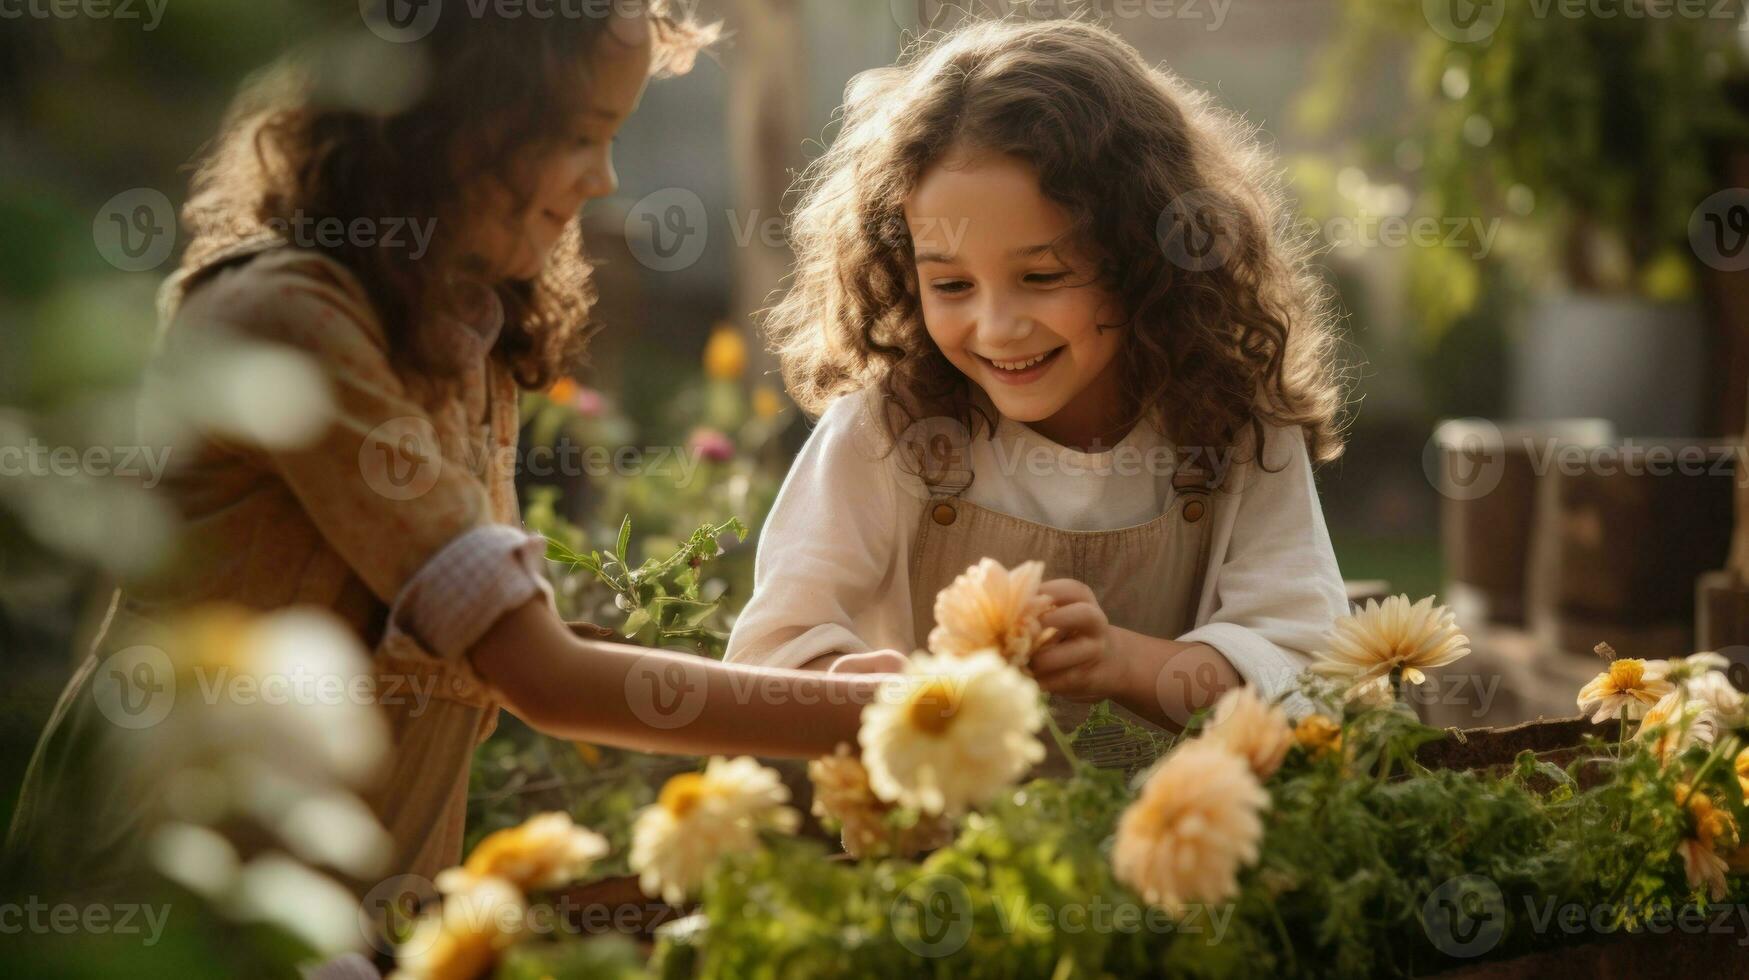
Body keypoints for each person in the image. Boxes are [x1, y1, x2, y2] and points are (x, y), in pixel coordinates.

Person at [8, 3, 885, 892]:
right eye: (581, 136)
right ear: (458, 121)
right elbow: (540, 674)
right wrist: (869, 715)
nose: (604, 181)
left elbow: (512, 652)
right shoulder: (293, 323)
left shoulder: (461, 336)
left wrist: (823, 696)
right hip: (181, 910)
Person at [725, 18, 1351, 747]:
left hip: (1186, 845)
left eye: (1041, 276)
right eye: (952, 284)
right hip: (935, 853)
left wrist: (1125, 662)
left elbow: (1311, 678)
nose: (996, 327)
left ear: (1145, 259)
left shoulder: (1232, 427)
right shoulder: (885, 432)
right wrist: (869, 690)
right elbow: (768, 658)